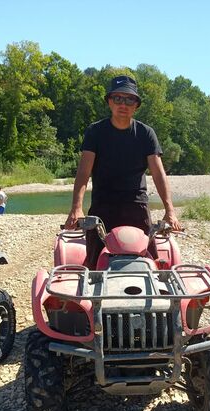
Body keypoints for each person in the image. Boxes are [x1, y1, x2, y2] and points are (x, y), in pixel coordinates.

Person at [65, 75, 182, 269]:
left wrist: (170, 211)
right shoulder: (95, 132)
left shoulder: (145, 133)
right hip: (103, 205)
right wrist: (76, 208)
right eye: (118, 98)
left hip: (136, 205)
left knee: (149, 262)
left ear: (136, 105)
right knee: (94, 266)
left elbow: (158, 173)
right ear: (109, 102)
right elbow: (84, 172)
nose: (123, 104)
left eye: (129, 99)